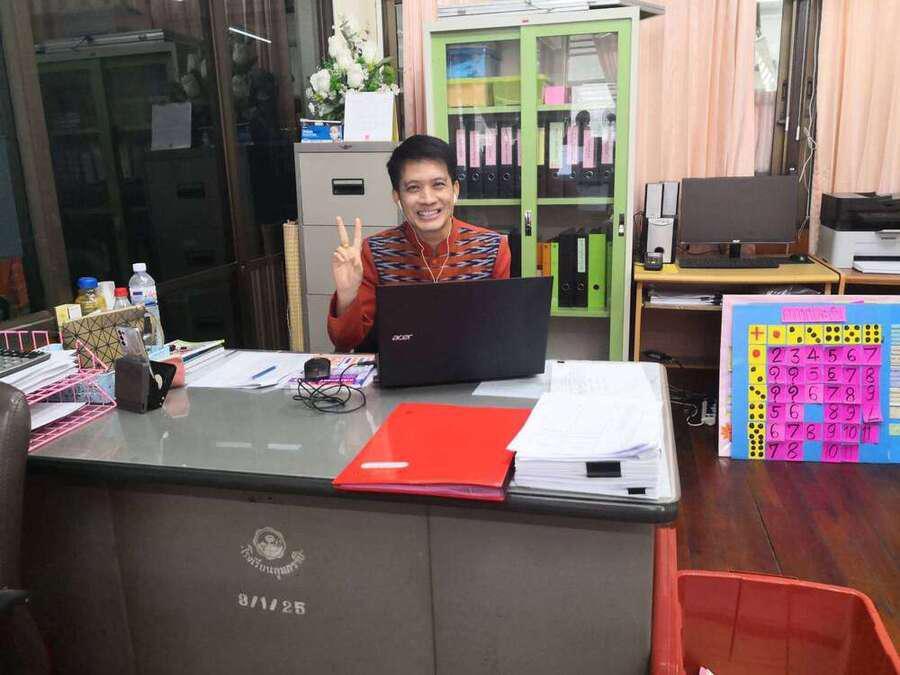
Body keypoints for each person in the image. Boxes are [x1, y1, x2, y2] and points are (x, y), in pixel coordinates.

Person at [327, 134, 511, 352]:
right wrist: (347, 295)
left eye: (438, 185)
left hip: (468, 366)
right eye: (413, 188)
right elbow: (345, 342)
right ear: (397, 197)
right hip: (399, 368)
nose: (428, 199)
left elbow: (499, 333)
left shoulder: (492, 248)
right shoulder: (374, 252)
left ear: (455, 190)